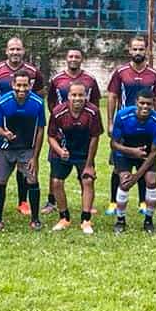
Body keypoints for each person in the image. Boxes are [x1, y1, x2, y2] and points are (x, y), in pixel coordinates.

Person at [0, 37, 46, 216]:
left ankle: (23, 201)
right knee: (1, 165)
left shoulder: (33, 72)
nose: (15, 52)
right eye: (12, 49)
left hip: (25, 124)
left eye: (18, 49)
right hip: (3, 122)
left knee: (24, 165)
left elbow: (39, 93)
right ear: (6, 51)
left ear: (23, 51)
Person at [105, 37, 156, 215]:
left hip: (146, 126)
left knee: (144, 161)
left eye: (141, 49)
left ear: (146, 50)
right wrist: (110, 122)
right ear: (129, 50)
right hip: (124, 127)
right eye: (135, 49)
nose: (138, 52)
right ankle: (113, 202)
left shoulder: (154, 74)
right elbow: (112, 96)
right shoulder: (121, 72)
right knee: (118, 166)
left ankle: (142, 202)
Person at [43, 48, 100, 215]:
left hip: (82, 130)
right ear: (66, 58)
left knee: (85, 170)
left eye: (77, 56)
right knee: (56, 170)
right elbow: (51, 101)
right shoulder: (57, 79)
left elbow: (95, 102)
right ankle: (51, 201)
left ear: (82, 59)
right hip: (62, 130)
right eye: (71, 56)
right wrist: (61, 120)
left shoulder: (90, 79)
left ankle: (87, 205)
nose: (73, 59)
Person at [0, 71, 46, 231]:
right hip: (6, 149)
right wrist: (4, 134)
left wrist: (35, 157)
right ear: (13, 85)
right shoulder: (3, 101)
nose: (22, 89)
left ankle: (35, 219)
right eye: (18, 85)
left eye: (25, 85)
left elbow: (40, 130)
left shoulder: (38, 103)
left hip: (27, 149)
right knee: (0, 181)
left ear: (30, 85)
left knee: (32, 180)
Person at [47, 81, 103, 233]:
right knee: (56, 182)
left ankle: (86, 220)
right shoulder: (58, 111)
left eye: (81, 95)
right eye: (74, 95)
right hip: (63, 151)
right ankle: (64, 218)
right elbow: (51, 136)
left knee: (88, 180)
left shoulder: (93, 112)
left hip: (83, 153)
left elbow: (95, 137)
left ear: (86, 96)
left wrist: (89, 164)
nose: (77, 98)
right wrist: (60, 151)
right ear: (68, 96)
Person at [110, 88, 156, 234]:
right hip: (124, 152)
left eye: (149, 104)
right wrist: (132, 151)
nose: (145, 107)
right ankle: (120, 220)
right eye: (142, 103)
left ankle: (149, 221)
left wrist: (136, 176)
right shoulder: (122, 116)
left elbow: (154, 152)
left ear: (153, 104)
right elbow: (113, 144)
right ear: (136, 103)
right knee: (124, 182)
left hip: (146, 155)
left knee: (151, 181)